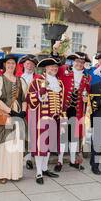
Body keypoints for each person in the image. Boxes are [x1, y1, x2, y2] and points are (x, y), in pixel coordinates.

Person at [0, 54, 28, 184]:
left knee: (15, 143)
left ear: (16, 65)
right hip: (4, 114)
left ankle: (15, 172)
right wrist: (11, 111)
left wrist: (23, 112)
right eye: (8, 63)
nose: (10, 65)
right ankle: (2, 173)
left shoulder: (21, 80)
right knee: (4, 143)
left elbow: (24, 99)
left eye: (13, 63)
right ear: (4, 65)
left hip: (18, 116)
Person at [27, 55, 65, 184]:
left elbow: (62, 102)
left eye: (55, 67)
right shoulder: (36, 82)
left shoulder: (59, 83)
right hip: (40, 119)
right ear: (46, 68)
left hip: (55, 120)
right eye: (51, 66)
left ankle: (44, 169)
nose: (54, 68)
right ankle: (38, 173)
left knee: (49, 145)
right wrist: (40, 95)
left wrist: (62, 118)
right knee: (40, 146)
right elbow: (30, 100)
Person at [54, 50, 92, 172]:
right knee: (63, 135)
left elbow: (88, 92)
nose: (79, 64)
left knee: (74, 136)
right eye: (77, 61)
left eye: (82, 62)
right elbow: (54, 66)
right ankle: (59, 160)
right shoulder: (64, 69)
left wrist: (87, 98)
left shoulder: (88, 76)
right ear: (73, 61)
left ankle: (72, 160)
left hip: (77, 110)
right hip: (64, 109)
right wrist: (55, 51)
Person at [17, 54, 41, 170]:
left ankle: (28, 159)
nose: (30, 66)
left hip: (32, 109)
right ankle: (17, 157)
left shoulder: (39, 78)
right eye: (28, 64)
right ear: (24, 65)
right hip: (18, 109)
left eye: (32, 64)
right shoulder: (17, 76)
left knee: (31, 134)